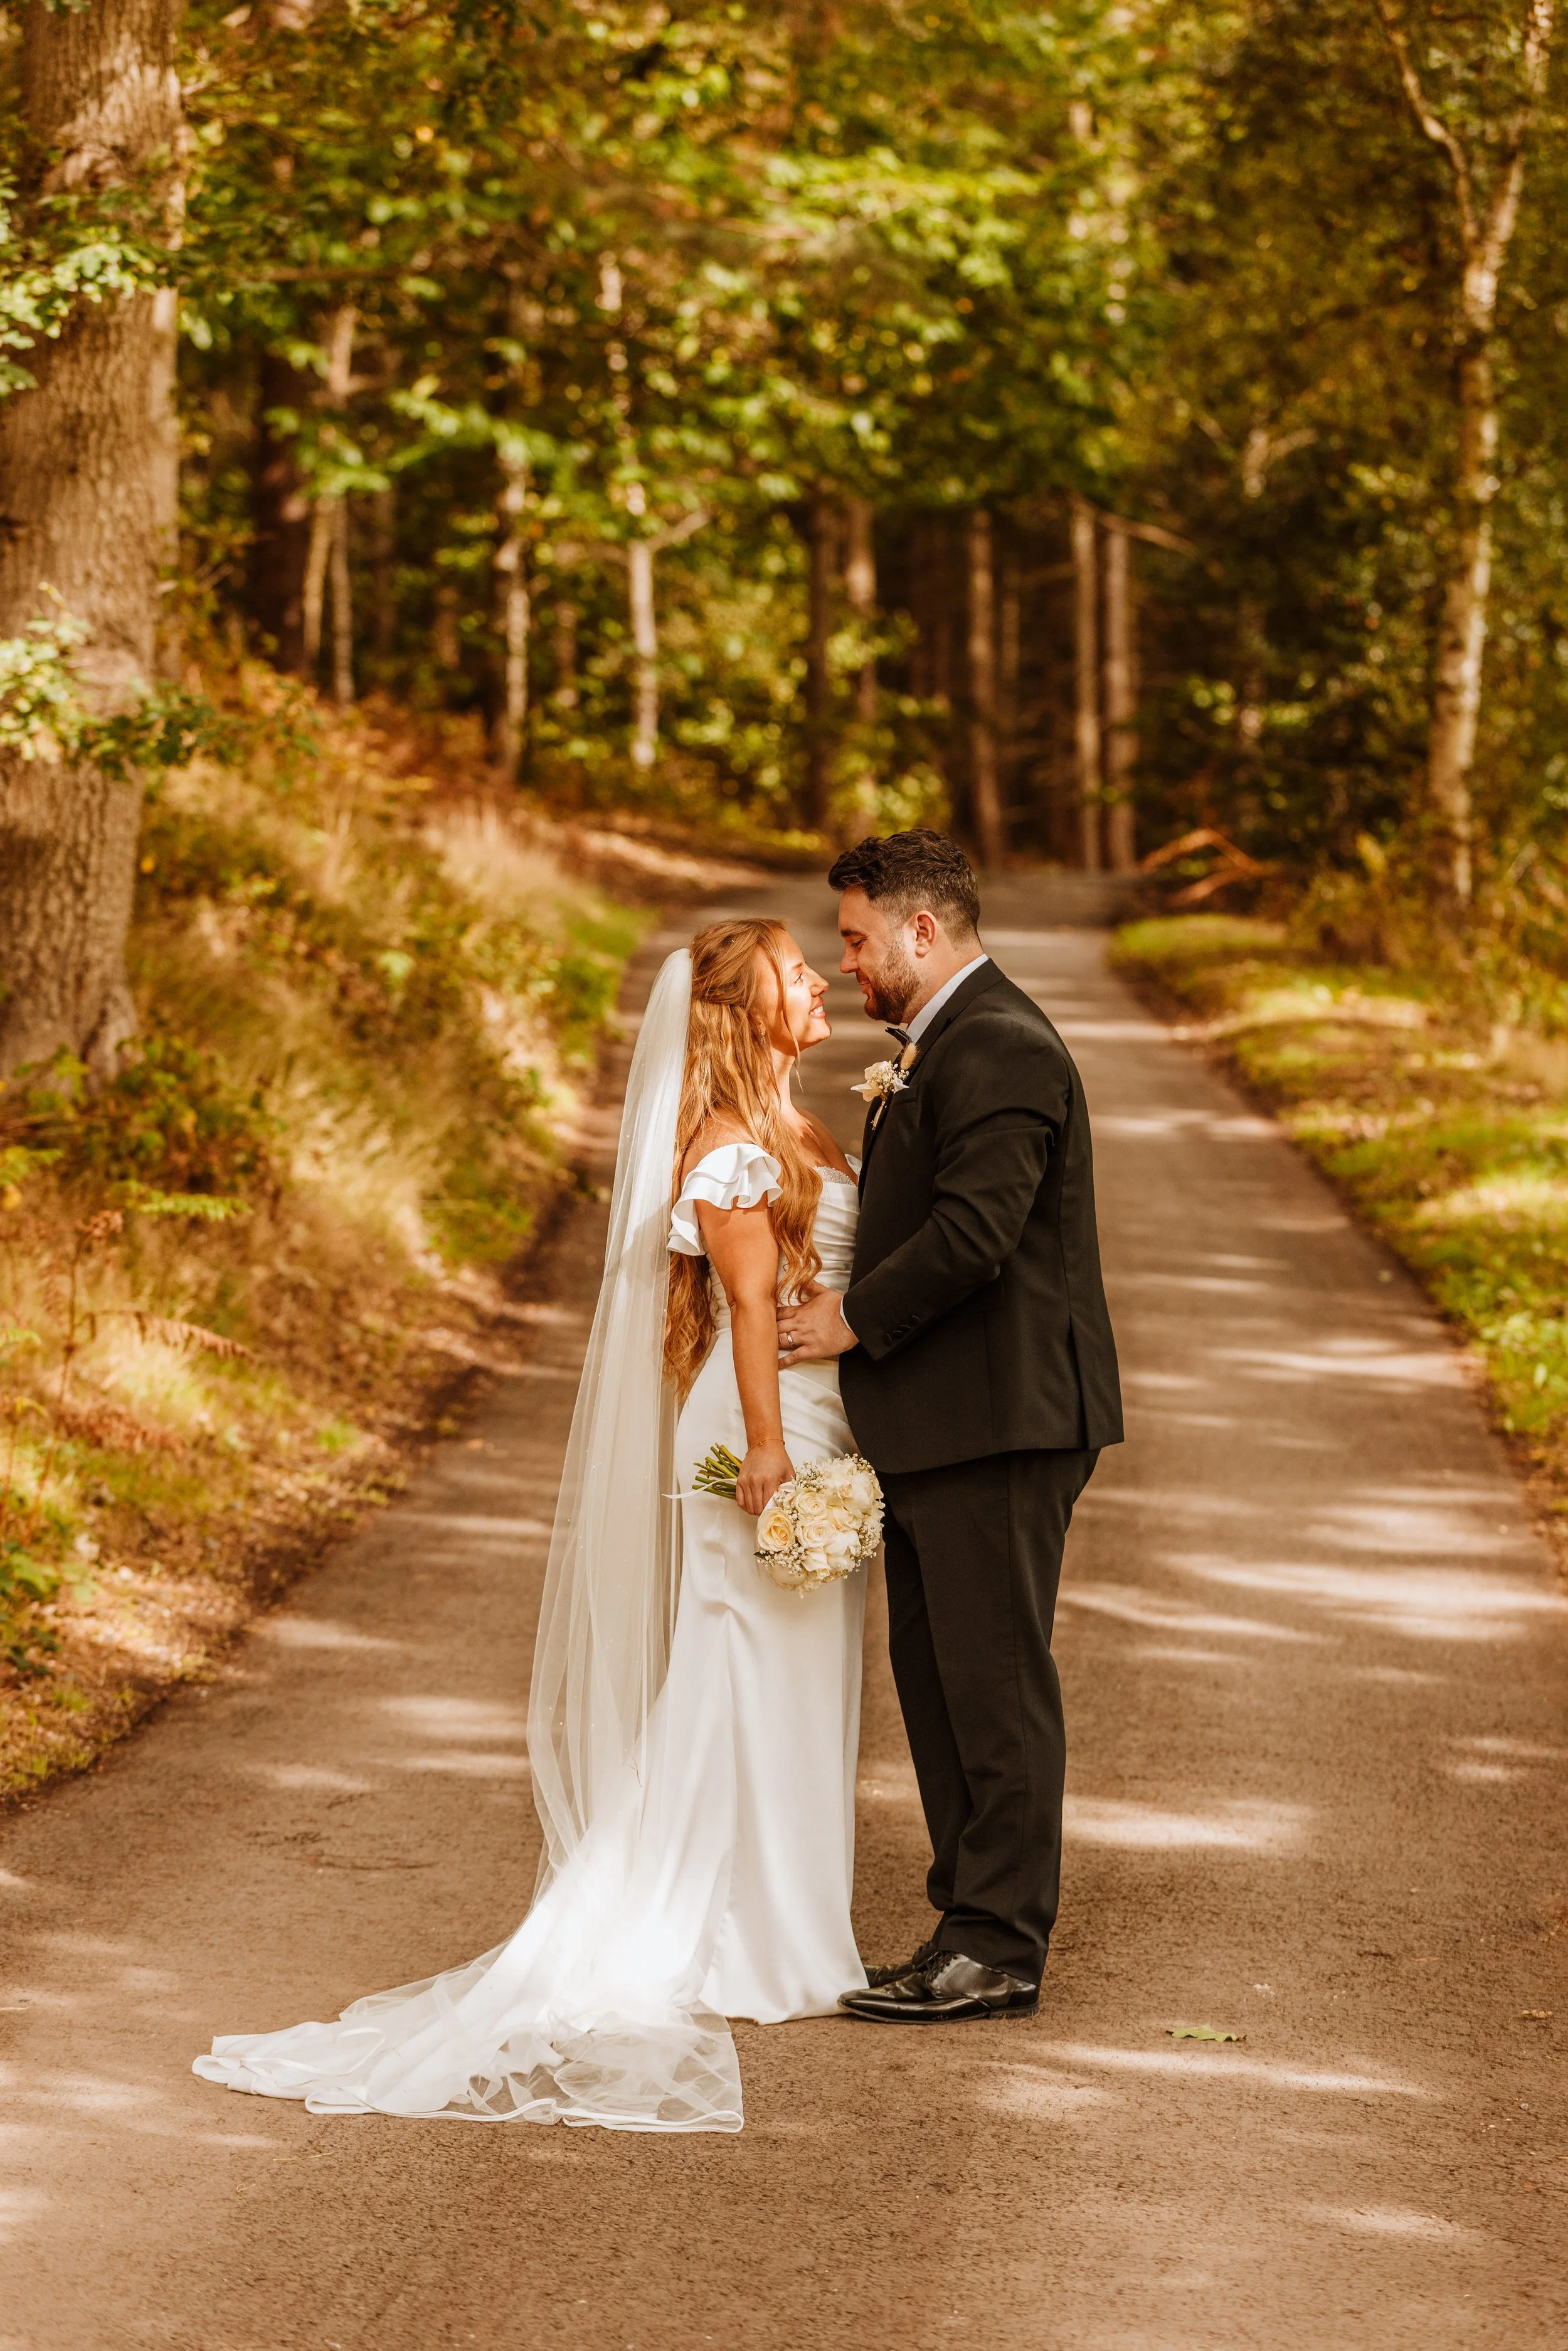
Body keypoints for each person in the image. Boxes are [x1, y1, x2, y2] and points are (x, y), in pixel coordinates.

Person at [193, 918, 868, 2132]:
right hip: (764, 1426)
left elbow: (814, 1293)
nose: (819, 977)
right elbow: (754, 1308)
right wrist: (767, 1449)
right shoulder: (726, 1149)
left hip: (807, 1414)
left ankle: (783, 1931)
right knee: (745, 1671)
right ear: (739, 1003)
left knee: (779, 1679)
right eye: (795, 968)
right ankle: (746, 1944)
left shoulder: (790, 1130)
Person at [776, 830, 1122, 2022]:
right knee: (934, 1682)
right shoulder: (940, 1044)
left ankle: (1002, 1946)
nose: (849, 964)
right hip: (941, 1423)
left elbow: (977, 1237)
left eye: (861, 940)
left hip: (1004, 1419)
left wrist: (848, 1322)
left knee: (993, 1682)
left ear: (925, 932)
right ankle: (959, 1924)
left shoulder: (1006, 1047)